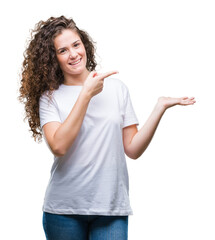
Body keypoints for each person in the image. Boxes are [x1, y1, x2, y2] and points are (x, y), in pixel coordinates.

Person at [18, 15, 196, 240]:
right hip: (64, 210)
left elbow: (132, 149)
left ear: (85, 45)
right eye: (62, 50)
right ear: (53, 58)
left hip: (111, 208)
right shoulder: (50, 98)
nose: (73, 54)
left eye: (76, 45)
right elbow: (59, 146)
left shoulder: (117, 89)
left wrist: (159, 107)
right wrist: (86, 93)